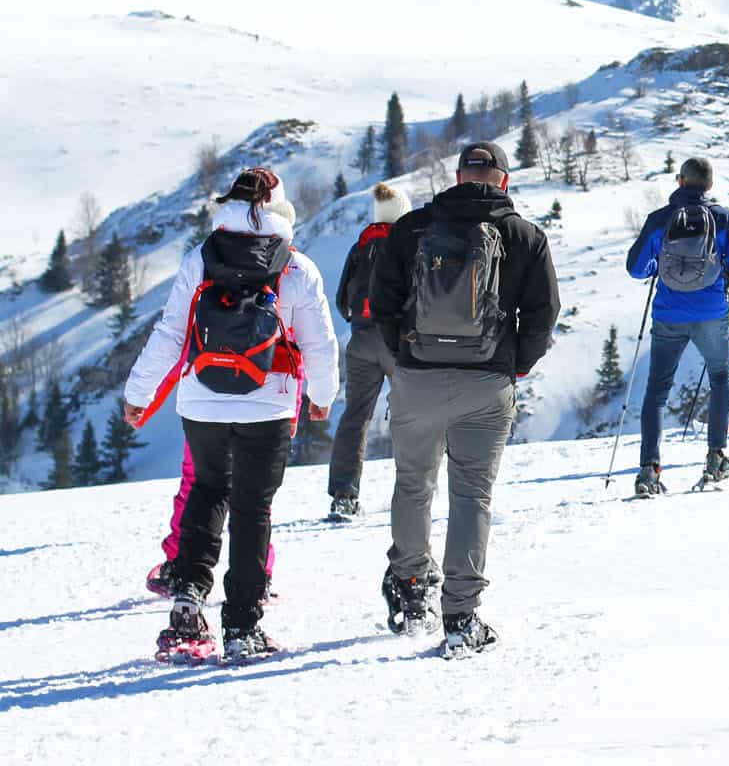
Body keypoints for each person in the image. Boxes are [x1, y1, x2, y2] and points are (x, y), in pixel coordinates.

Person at [123, 169, 339, 663]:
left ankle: (187, 601)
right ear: (279, 208)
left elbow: (170, 333)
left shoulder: (200, 258)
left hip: (202, 399)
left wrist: (139, 390)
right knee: (251, 507)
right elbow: (320, 343)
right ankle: (243, 625)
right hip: (269, 402)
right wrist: (322, 396)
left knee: (206, 491)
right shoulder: (296, 267)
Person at [372, 142, 560, 657]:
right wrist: (514, 364)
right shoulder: (524, 235)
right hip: (487, 381)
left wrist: (405, 357)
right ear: (503, 180)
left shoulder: (411, 228)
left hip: (418, 377)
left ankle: (411, 590)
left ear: (458, 176)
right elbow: (544, 315)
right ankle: (460, 616)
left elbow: (381, 301)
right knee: (471, 496)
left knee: (413, 484)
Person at [626, 157, 729, 495]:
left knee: (657, 390)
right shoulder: (724, 219)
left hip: (669, 314)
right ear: (709, 186)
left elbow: (636, 268)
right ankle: (716, 458)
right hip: (712, 312)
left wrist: (659, 266)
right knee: (719, 378)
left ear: (680, 181)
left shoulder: (660, 219)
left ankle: (649, 470)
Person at [325, 182, 409, 519]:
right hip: (396, 342)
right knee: (410, 417)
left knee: (354, 417)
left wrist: (359, 322)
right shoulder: (407, 244)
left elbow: (341, 299)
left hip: (360, 341)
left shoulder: (361, 246)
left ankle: (344, 495)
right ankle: (411, 496)